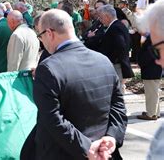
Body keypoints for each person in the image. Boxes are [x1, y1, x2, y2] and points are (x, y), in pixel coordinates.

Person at [31, 9, 127, 160]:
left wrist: (88, 147)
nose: (41, 41)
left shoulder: (48, 68)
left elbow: (52, 118)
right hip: (104, 152)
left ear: (49, 33)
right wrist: (111, 138)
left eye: (40, 36)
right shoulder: (103, 61)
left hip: (63, 153)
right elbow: (118, 106)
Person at [139, 0, 164, 159]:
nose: (159, 59)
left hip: (151, 72)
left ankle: (151, 113)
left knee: (153, 92)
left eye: (159, 50)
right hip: (151, 72)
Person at [96, 5, 133, 88]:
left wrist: (111, 60)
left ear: (107, 16)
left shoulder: (116, 27)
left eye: (101, 18)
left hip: (116, 66)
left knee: (117, 93)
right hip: (116, 65)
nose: (100, 21)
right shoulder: (117, 26)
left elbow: (121, 46)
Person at [136, 34, 162, 120]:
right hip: (155, 67)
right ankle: (155, 112)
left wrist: (141, 62)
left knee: (151, 92)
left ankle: (150, 114)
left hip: (151, 67)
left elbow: (150, 53)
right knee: (154, 92)